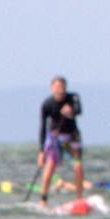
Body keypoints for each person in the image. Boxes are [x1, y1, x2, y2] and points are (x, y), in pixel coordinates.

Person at [36, 75, 84, 206]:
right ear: (52, 88)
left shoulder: (73, 98)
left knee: (78, 165)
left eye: (62, 87)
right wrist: (41, 151)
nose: (60, 90)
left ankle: (79, 198)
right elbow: (42, 127)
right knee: (50, 166)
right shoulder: (47, 104)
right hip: (54, 137)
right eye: (57, 87)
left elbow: (79, 110)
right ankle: (43, 199)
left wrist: (71, 111)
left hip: (72, 136)